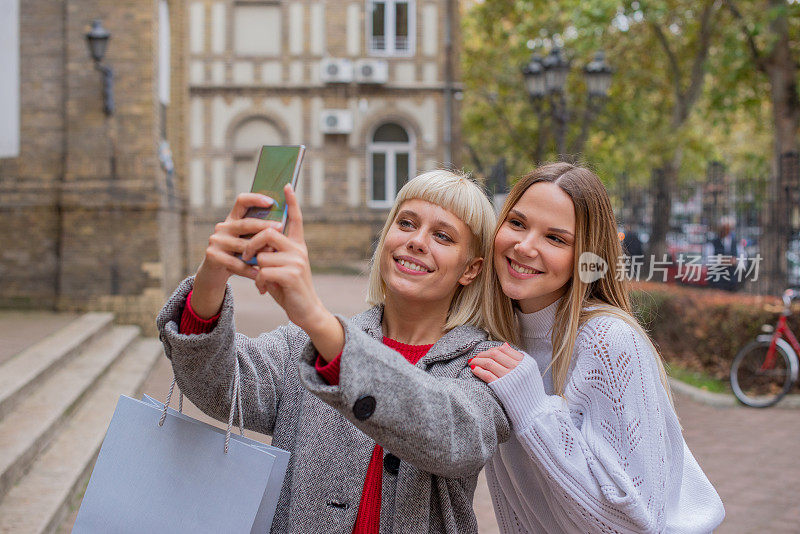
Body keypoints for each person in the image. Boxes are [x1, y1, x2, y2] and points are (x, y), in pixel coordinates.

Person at [156, 170, 509, 534]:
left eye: (442, 236)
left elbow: (452, 437)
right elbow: (216, 386)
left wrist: (316, 318)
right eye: (406, 223)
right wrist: (212, 275)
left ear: (471, 269)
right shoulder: (302, 346)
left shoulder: (484, 366)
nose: (417, 241)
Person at [469, 163, 725, 533]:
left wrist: (533, 411)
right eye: (518, 223)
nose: (524, 246)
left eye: (556, 239)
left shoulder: (608, 341)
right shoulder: (495, 335)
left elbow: (636, 524)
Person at [704, 217, 746, 291]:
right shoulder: (712, 244)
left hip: (732, 282)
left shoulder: (737, 244)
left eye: (727, 228)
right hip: (716, 281)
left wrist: (735, 261)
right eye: (723, 228)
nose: (725, 231)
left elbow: (743, 262)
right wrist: (723, 261)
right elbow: (706, 261)